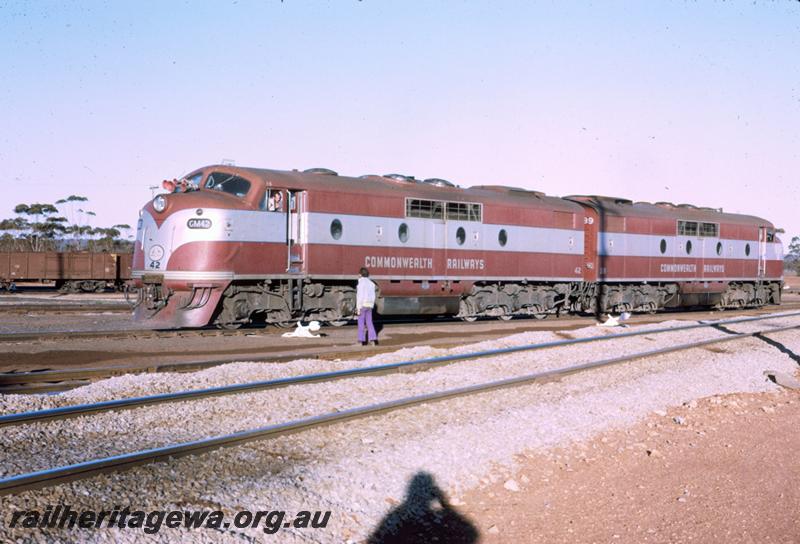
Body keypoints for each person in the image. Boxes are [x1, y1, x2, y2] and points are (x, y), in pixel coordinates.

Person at [356, 267, 378, 346]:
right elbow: (373, 296)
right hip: (370, 305)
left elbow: (360, 297)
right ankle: (372, 340)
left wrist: (358, 308)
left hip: (363, 305)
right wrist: (371, 304)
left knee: (361, 323)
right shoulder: (372, 283)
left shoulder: (361, 284)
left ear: (360, 274)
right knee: (369, 322)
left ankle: (360, 341)